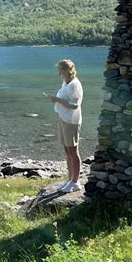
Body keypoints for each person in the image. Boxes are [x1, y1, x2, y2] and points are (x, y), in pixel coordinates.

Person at [47, 59, 83, 193]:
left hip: (71, 121)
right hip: (63, 119)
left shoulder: (75, 84)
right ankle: (70, 180)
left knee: (73, 151)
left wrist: (56, 100)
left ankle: (75, 182)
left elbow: (74, 105)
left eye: (60, 70)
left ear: (67, 70)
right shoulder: (65, 82)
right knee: (67, 151)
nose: (58, 73)